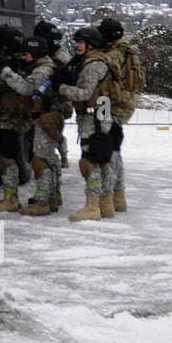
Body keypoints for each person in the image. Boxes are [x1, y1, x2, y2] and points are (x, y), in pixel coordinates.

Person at [0, 35, 68, 216]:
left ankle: (42, 201)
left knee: (40, 160)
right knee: (49, 159)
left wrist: (6, 72)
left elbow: (26, 89)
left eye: (28, 54)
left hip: (45, 119)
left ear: (36, 53)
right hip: (49, 118)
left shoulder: (42, 71)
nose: (25, 57)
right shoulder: (47, 67)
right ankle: (52, 197)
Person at [57, 26, 119, 222]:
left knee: (90, 160)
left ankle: (92, 206)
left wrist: (62, 87)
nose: (77, 45)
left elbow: (84, 93)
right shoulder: (102, 61)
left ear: (91, 44)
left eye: (81, 42)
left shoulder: (92, 65)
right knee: (103, 160)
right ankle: (106, 204)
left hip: (92, 118)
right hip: (103, 115)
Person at [0, 26, 32, 214]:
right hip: (7, 115)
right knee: (4, 154)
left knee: (4, 156)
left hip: (12, 117)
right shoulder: (17, 61)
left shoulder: (18, 64)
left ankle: (11, 198)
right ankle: (10, 196)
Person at [98, 16, 144, 212]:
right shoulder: (129, 51)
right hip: (126, 102)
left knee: (108, 149)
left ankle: (109, 198)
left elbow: (102, 72)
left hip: (114, 104)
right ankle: (119, 197)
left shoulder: (114, 54)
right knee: (115, 147)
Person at [34, 20, 71, 168]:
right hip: (43, 97)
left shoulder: (61, 56)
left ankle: (62, 154)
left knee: (53, 129)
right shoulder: (45, 54)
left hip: (57, 99)